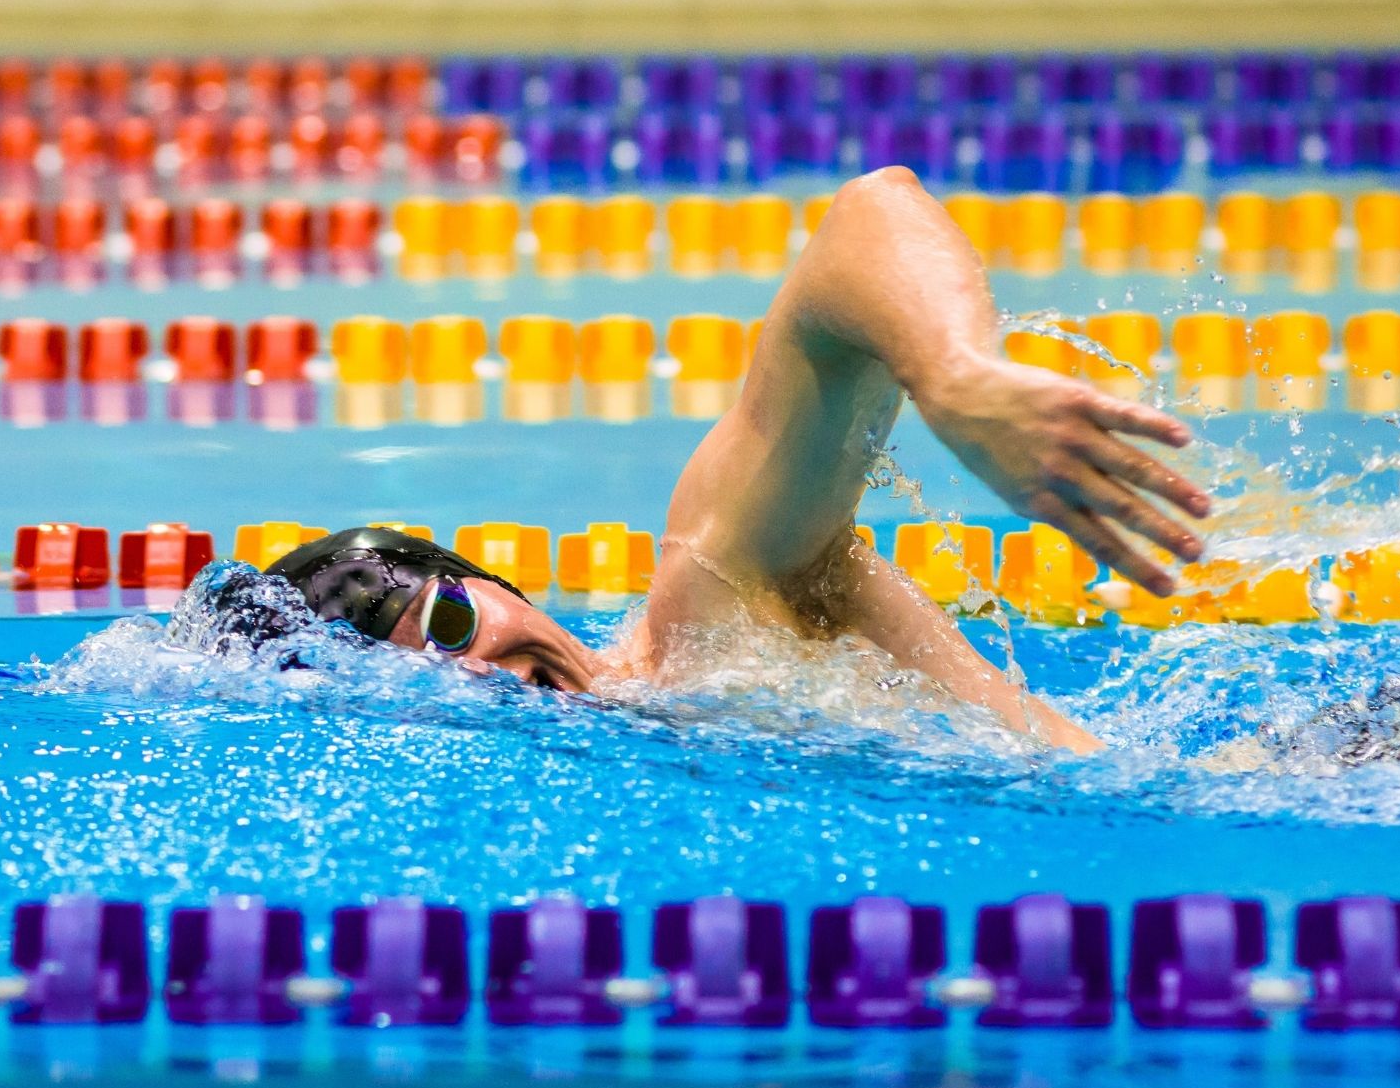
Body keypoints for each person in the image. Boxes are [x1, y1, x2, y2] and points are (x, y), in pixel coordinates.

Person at [261, 168, 1211, 751]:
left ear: (500, 587)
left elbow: (870, 219)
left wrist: (955, 377)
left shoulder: (708, 610)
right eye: (423, 685)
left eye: (455, 622)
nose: (483, 680)